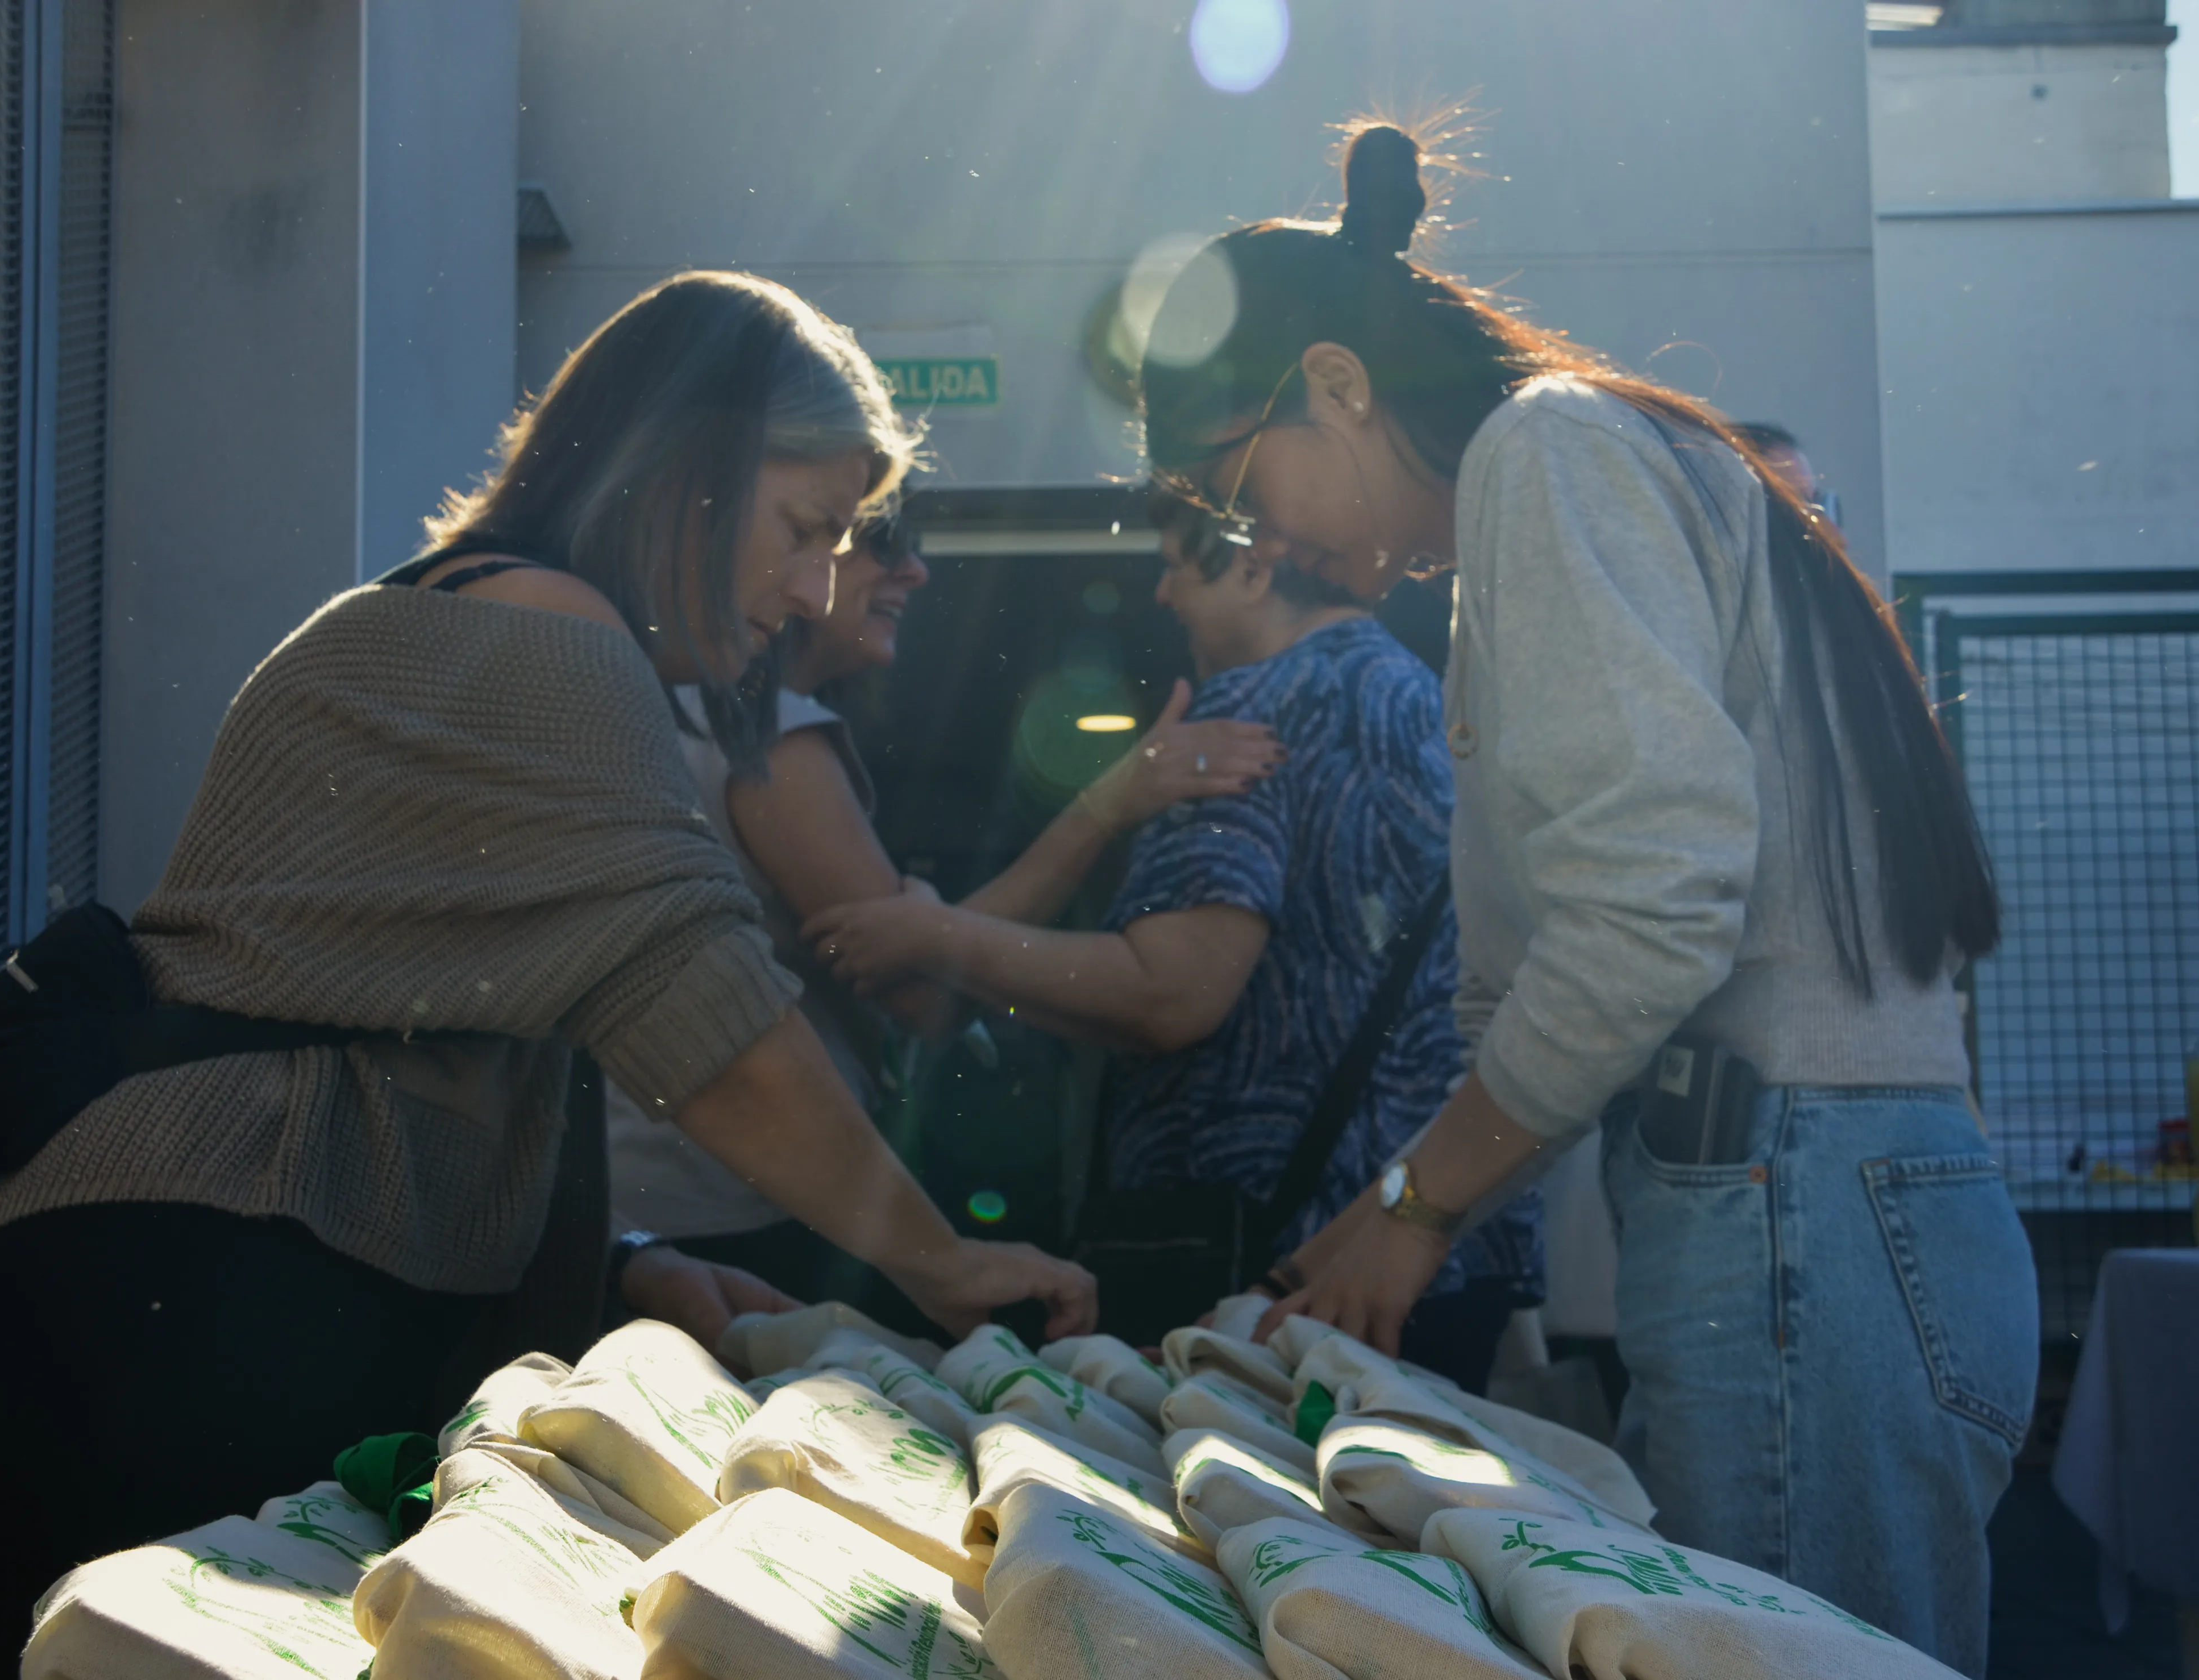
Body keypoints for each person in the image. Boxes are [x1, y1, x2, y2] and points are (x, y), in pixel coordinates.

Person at [0, 271, 1095, 1675]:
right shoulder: (550, 634)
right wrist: (946, 1261)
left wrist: (626, 1261)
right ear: (687, 472)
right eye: (805, 530)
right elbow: (710, 1024)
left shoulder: (469, 611)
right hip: (194, 1300)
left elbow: (412, 1028)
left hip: (176, 1276)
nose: (813, 589)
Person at [1149, 125, 2033, 1673]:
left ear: (1341, 385)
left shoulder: (1543, 456)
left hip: (1796, 1212)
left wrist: (1412, 1212)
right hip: (1831, 1206)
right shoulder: (1586, 467)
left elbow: (1649, 903)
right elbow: (1587, 945)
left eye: (1243, 486)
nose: (1264, 542)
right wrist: (1381, 1220)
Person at [804, 490, 1544, 1389]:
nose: (1159, 596)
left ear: (1254, 562)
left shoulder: (1245, 716)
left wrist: (934, 934)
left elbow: (1172, 995)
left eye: (1172, 567)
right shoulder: (1423, 698)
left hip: (1270, 1272)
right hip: (1431, 1244)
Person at [617, 514, 1284, 1319]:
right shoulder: (772, 746)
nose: (917, 574)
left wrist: (929, 928)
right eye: (885, 543)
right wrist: (1109, 805)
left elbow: (915, 958)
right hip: (736, 1214)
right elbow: (924, 997)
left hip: (661, 1207)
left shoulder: (670, 716)